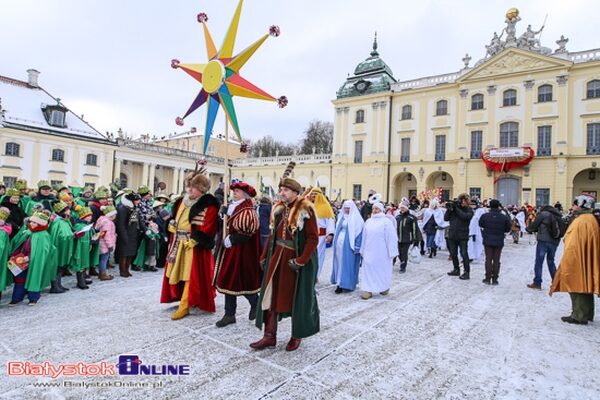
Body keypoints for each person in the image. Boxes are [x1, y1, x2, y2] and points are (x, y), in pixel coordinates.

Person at [251, 161, 319, 352]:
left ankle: (296, 335)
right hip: (277, 258)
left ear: (295, 192)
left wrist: (301, 261)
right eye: (281, 189)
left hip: (294, 261)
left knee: (296, 298)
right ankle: (269, 336)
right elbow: (273, 235)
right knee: (270, 296)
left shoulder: (306, 210)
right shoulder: (279, 209)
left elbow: (313, 239)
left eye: (286, 190)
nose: (282, 193)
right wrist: (264, 255)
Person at [160, 168, 219, 320]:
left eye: (193, 187)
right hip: (177, 242)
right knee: (176, 272)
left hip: (193, 246)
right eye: (190, 186)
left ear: (201, 190)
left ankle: (185, 305)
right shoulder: (181, 201)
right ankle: (180, 298)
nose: (190, 189)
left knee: (190, 276)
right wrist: (171, 226)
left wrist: (196, 240)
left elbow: (210, 226)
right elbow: (175, 218)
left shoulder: (209, 205)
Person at [213, 181, 262, 328]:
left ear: (245, 195)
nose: (234, 193)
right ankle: (230, 314)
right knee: (229, 281)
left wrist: (233, 239)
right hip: (231, 252)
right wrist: (224, 214)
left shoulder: (247, 210)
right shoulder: (234, 207)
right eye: (234, 191)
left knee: (241, 281)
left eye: (237, 191)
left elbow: (248, 231)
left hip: (242, 253)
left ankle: (256, 304)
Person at [550, 195, 600, 325]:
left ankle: (579, 315)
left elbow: (573, 244)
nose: (572, 206)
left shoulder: (582, 221)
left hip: (577, 258)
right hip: (583, 257)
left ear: (582, 204)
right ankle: (587, 312)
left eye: (575, 204)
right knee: (585, 284)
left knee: (577, 284)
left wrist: (568, 261)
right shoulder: (589, 219)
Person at [8, 211, 57, 306]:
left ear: (40, 224)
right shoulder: (27, 232)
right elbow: (18, 244)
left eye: (35, 223)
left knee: (34, 278)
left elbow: (43, 252)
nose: (32, 224)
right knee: (19, 280)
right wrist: (15, 254)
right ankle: (17, 298)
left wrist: (29, 258)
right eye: (31, 222)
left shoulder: (44, 235)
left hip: (34, 262)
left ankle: (33, 298)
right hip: (21, 261)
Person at [359, 202, 399, 299]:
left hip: (382, 252)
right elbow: (364, 237)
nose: (374, 210)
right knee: (368, 270)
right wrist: (362, 249)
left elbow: (391, 238)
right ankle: (368, 289)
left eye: (376, 209)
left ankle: (383, 287)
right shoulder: (368, 221)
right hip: (369, 251)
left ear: (381, 210)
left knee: (382, 270)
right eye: (373, 209)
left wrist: (392, 252)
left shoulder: (386, 222)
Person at [525, 202, 563, 290]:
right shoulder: (559, 215)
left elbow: (534, 225)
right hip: (554, 242)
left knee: (539, 262)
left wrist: (528, 229)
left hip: (543, 241)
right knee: (551, 261)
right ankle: (556, 283)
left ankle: (537, 283)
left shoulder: (543, 214)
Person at [331, 200, 363, 293]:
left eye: (348, 208)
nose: (346, 210)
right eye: (345, 208)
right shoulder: (341, 217)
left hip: (349, 245)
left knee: (347, 263)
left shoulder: (357, 219)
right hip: (339, 244)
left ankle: (347, 283)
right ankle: (339, 282)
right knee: (339, 262)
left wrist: (357, 245)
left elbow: (359, 233)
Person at [478, 200, 511, 285]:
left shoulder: (485, 216)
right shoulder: (503, 217)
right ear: (498, 206)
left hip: (488, 239)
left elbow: (480, 224)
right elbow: (507, 228)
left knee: (488, 259)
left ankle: (487, 278)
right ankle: (495, 278)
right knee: (496, 260)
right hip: (499, 240)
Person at [307, 187, 335, 280]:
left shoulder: (326, 207)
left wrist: (330, 234)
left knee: (318, 256)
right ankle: (308, 275)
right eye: (312, 194)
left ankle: (315, 276)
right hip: (308, 236)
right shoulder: (308, 206)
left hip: (320, 237)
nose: (314, 196)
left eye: (316, 194)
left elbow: (330, 221)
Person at [445, 193, 474, 280]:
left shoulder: (469, 210)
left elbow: (464, 217)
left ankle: (466, 272)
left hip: (462, 235)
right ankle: (456, 269)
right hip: (452, 234)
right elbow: (445, 218)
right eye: (461, 201)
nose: (462, 202)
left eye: (464, 201)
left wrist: (456, 208)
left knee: (464, 254)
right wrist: (449, 209)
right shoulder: (454, 209)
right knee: (453, 254)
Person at [49, 200, 74, 293]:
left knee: (61, 267)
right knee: (57, 266)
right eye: (67, 210)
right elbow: (57, 236)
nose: (69, 211)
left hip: (64, 247)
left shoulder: (65, 220)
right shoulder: (57, 222)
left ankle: (58, 284)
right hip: (58, 248)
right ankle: (54, 286)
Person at [116, 192, 140, 278]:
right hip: (126, 234)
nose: (138, 201)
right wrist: (124, 236)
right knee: (124, 254)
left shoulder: (134, 208)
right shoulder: (123, 209)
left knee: (130, 253)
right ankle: (122, 270)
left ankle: (127, 269)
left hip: (133, 234)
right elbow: (121, 224)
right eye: (136, 200)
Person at [395, 200, 422, 273]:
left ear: (407, 208)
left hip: (407, 238)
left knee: (404, 253)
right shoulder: (397, 217)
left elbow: (415, 229)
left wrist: (415, 239)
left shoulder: (412, 218)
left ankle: (403, 266)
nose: (402, 209)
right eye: (401, 208)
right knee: (399, 253)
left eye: (403, 208)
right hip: (398, 238)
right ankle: (402, 261)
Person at [95, 205, 117, 280]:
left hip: (102, 243)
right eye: (114, 215)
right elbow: (107, 235)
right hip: (105, 245)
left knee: (102, 259)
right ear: (111, 215)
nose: (115, 216)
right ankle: (103, 275)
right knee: (104, 260)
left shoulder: (103, 220)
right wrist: (110, 245)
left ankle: (101, 273)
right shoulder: (107, 223)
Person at [468, 198, 487, 263]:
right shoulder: (468, 210)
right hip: (469, 230)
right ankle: (470, 256)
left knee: (477, 243)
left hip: (477, 230)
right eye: (471, 204)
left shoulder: (480, 210)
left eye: (473, 204)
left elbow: (481, 219)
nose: (472, 205)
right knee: (469, 244)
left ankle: (476, 255)